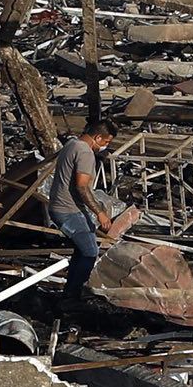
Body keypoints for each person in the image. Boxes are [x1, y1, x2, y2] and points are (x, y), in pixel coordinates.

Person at [49, 119, 116, 305]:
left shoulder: (71, 144)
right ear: (98, 137)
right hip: (68, 210)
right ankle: (73, 296)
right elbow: (82, 187)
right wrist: (99, 212)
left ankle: (71, 290)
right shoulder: (85, 152)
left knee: (81, 250)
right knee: (89, 251)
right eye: (106, 142)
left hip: (62, 207)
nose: (105, 146)